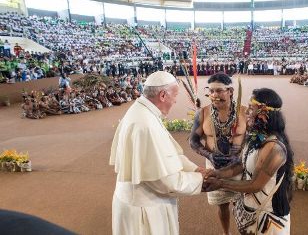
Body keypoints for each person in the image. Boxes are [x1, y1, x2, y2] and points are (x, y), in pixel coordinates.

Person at [110, 71, 206, 235]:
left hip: (140, 203)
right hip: (144, 210)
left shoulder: (143, 111)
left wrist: (194, 169)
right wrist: (201, 179)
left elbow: (167, 151)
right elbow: (163, 181)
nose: (175, 101)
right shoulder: (145, 123)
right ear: (163, 95)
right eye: (174, 96)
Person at [204, 88, 294, 235]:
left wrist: (220, 183)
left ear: (264, 113)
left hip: (269, 221)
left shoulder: (274, 148)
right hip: (253, 213)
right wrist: (216, 173)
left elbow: (255, 185)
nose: (246, 112)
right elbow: (241, 164)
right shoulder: (255, 137)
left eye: (251, 108)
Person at [189, 72, 247, 235]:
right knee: (222, 205)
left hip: (239, 167)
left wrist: (241, 155)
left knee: (241, 203)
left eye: (219, 91)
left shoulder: (244, 112)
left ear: (230, 91)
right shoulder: (203, 113)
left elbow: (253, 140)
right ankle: (226, 233)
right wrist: (210, 155)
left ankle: (243, 231)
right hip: (216, 168)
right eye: (211, 91)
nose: (214, 95)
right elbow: (193, 141)